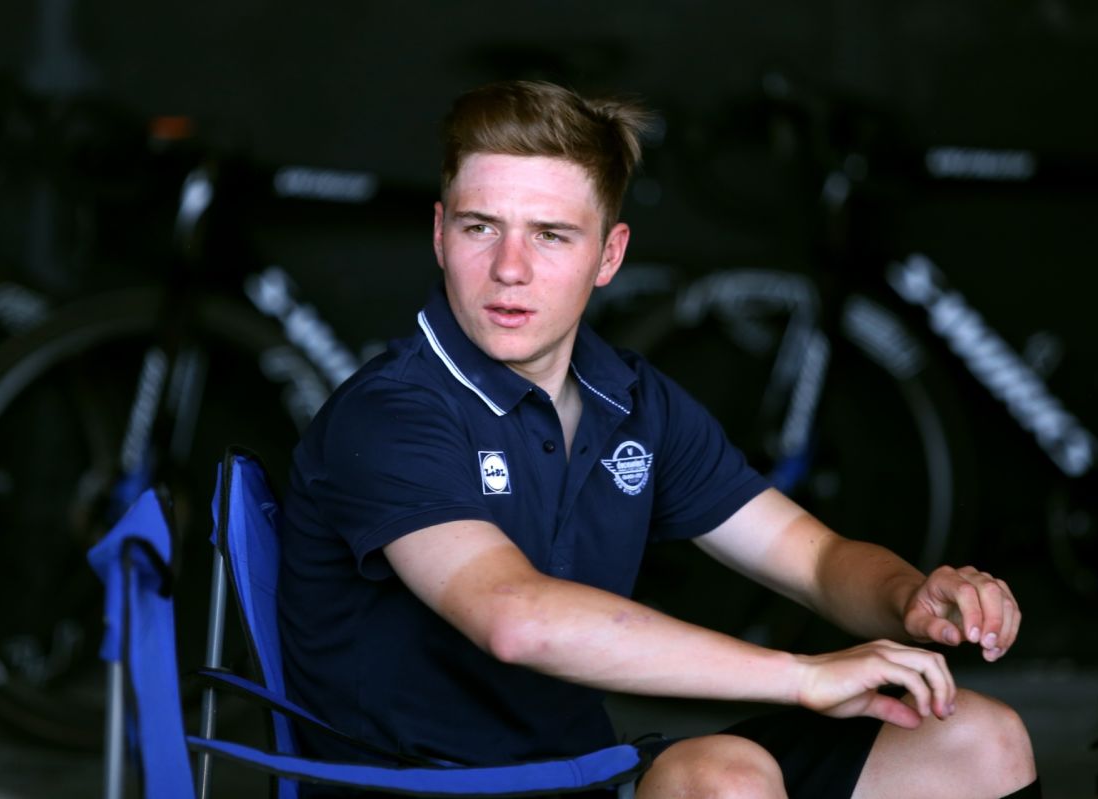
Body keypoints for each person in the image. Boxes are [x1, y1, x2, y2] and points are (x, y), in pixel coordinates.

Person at [276, 79, 1040, 798]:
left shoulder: (631, 400)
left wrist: (910, 598)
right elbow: (515, 617)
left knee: (980, 739)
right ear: (441, 234)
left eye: (551, 235)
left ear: (609, 255)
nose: (510, 268)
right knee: (730, 782)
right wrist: (804, 676)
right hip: (426, 787)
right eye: (481, 227)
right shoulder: (391, 411)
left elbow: (814, 559)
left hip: (581, 780)